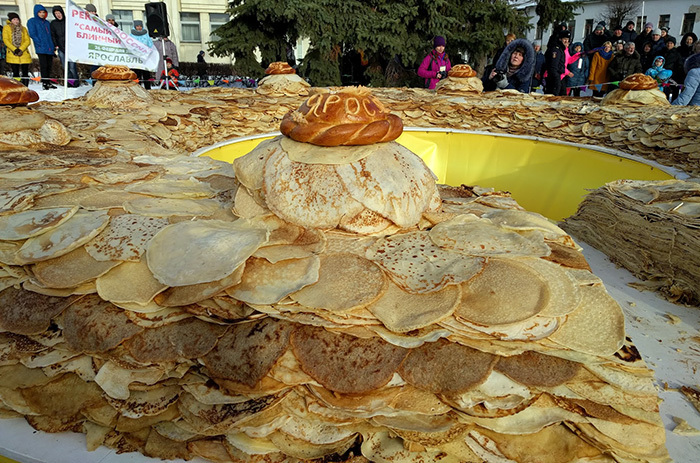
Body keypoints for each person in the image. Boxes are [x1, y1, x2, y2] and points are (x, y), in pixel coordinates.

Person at [27, 4, 56, 89]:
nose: (42, 14)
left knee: (49, 66)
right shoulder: (32, 21)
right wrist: (39, 42)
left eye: (43, 12)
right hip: (41, 48)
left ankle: (48, 82)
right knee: (44, 66)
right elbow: (32, 33)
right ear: (36, 13)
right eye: (40, 12)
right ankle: (45, 83)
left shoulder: (47, 22)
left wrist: (53, 46)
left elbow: (50, 35)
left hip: (49, 48)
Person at [50, 6, 78, 87]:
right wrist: (56, 45)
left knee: (72, 67)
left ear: (62, 12)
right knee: (66, 67)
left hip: (71, 47)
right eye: (56, 14)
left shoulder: (69, 21)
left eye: (59, 13)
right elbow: (53, 35)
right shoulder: (53, 23)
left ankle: (76, 83)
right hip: (61, 48)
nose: (58, 15)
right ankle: (69, 83)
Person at [3, 12, 31, 86]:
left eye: (17, 19)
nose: (16, 21)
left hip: (24, 53)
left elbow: (27, 40)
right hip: (12, 53)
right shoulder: (6, 28)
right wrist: (14, 49)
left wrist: (21, 49)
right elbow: (6, 40)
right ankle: (17, 86)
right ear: (10, 20)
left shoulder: (23, 29)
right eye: (14, 19)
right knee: (15, 72)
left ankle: (25, 86)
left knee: (25, 72)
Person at [543, 29, 570, 95]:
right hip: (554, 77)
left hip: (559, 76)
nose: (566, 41)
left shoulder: (561, 49)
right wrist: (556, 80)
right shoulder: (556, 49)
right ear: (560, 39)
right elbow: (553, 66)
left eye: (567, 39)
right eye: (564, 39)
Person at [129, 20, 153, 90]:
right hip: (135, 60)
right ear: (135, 27)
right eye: (137, 26)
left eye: (140, 26)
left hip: (145, 59)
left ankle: (148, 89)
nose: (139, 27)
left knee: (146, 75)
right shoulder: (131, 36)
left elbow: (150, 44)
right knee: (137, 75)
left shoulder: (146, 35)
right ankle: (137, 89)